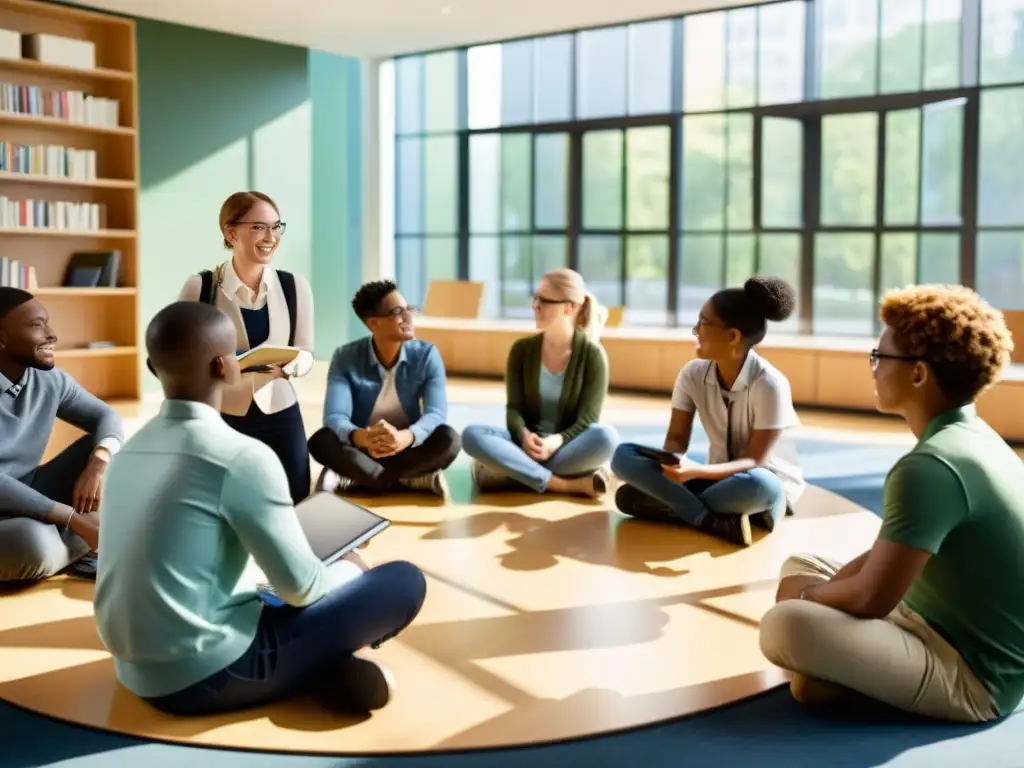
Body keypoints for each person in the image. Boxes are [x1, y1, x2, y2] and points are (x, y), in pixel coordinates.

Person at [94, 301, 427, 716]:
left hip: (132, 671)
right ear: (225, 367)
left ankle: (321, 667)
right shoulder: (240, 455)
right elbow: (301, 589)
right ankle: (324, 665)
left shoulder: (128, 451)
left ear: (151, 366)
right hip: (201, 676)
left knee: (274, 589)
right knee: (402, 580)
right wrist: (350, 570)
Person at [760, 284, 1024, 723]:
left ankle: (844, 674)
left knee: (785, 625)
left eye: (879, 357)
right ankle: (848, 672)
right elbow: (890, 554)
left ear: (918, 374)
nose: (873, 368)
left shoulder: (931, 465)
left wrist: (808, 598)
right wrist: (814, 592)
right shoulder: (976, 436)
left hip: (971, 676)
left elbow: (871, 599)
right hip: (926, 613)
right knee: (799, 564)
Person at [610, 276, 804, 547]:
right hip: (711, 481)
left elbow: (755, 462)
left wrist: (693, 474)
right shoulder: (692, 375)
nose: (695, 330)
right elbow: (676, 440)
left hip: (759, 486)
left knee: (760, 484)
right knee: (622, 456)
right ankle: (711, 519)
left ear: (733, 336)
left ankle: (679, 508)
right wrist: (673, 463)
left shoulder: (771, 384)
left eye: (703, 322)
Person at [179, 191, 314, 504]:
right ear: (230, 232)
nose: (270, 237)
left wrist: (289, 367)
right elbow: (179, 354)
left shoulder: (295, 286)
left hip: (280, 410)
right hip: (223, 413)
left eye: (276, 227)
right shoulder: (200, 287)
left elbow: (306, 351)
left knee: (294, 498)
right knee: (227, 501)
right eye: (258, 227)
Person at [0, 288, 123, 583]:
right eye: (35, 325)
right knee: (32, 544)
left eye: (46, 322)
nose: (51, 334)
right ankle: (94, 540)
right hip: (16, 519)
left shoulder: (48, 379)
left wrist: (98, 464)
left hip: (30, 493)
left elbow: (107, 417)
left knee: (112, 449)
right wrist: (71, 518)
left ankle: (83, 539)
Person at [461, 269, 618, 498]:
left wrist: (556, 441)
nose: (535, 305)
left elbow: (588, 419)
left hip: (565, 448)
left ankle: (508, 472)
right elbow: (514, 409)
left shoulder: (593, 356)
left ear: (569, 308)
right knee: (471, 435)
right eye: (535, 298)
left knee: (607, 438)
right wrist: (524, 436)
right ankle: (563, 484)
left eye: (544, 301)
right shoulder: (521, 351)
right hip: (524, 447)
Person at [308, 280, 461, 497]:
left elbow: (435, 414)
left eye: (408, 309)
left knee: (450, 439)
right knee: (321, 441)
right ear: (373, 324)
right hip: (364, 450)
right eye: (398, 312)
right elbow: (335, 417)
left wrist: (405, 437)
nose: (408, 317)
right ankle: (409, 480)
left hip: (408, 449)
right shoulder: (346, 357)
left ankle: (367, 479)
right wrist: (362, 437)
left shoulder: (426, 355)